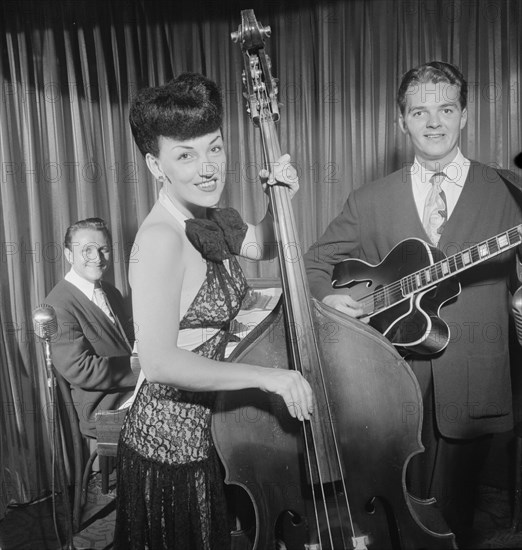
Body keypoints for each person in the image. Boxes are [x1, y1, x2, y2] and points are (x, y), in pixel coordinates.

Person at [304, 61, 522, 543]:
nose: (434, 122)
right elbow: (314, 264)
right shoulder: (370, 199)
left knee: (457, 521)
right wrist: (328, 300)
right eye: (419, 112)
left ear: (465, 115)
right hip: (393, 377)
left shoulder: (511, 191)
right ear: (402, 121)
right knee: (397, 518)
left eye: (446, 108)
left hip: (474, 377)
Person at [113, 73, 313, 550]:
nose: (208, 168)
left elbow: (264, 245)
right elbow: (160, 363)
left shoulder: (210, 215)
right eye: (185, 155)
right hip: (173, 445)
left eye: (215, 148)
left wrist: (280, 195)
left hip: (218, 431)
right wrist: (268, 377)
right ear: (154, 165)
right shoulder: (160, 239)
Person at [45, 217, 138, 439]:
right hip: (105, 409)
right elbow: (81, 368)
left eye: (103, 249)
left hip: (133, 393)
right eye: (87, 251)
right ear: (69, 255)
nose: (97, 258)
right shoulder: (57, 305)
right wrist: (143, 368)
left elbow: (130, 341)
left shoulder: (110, 291)